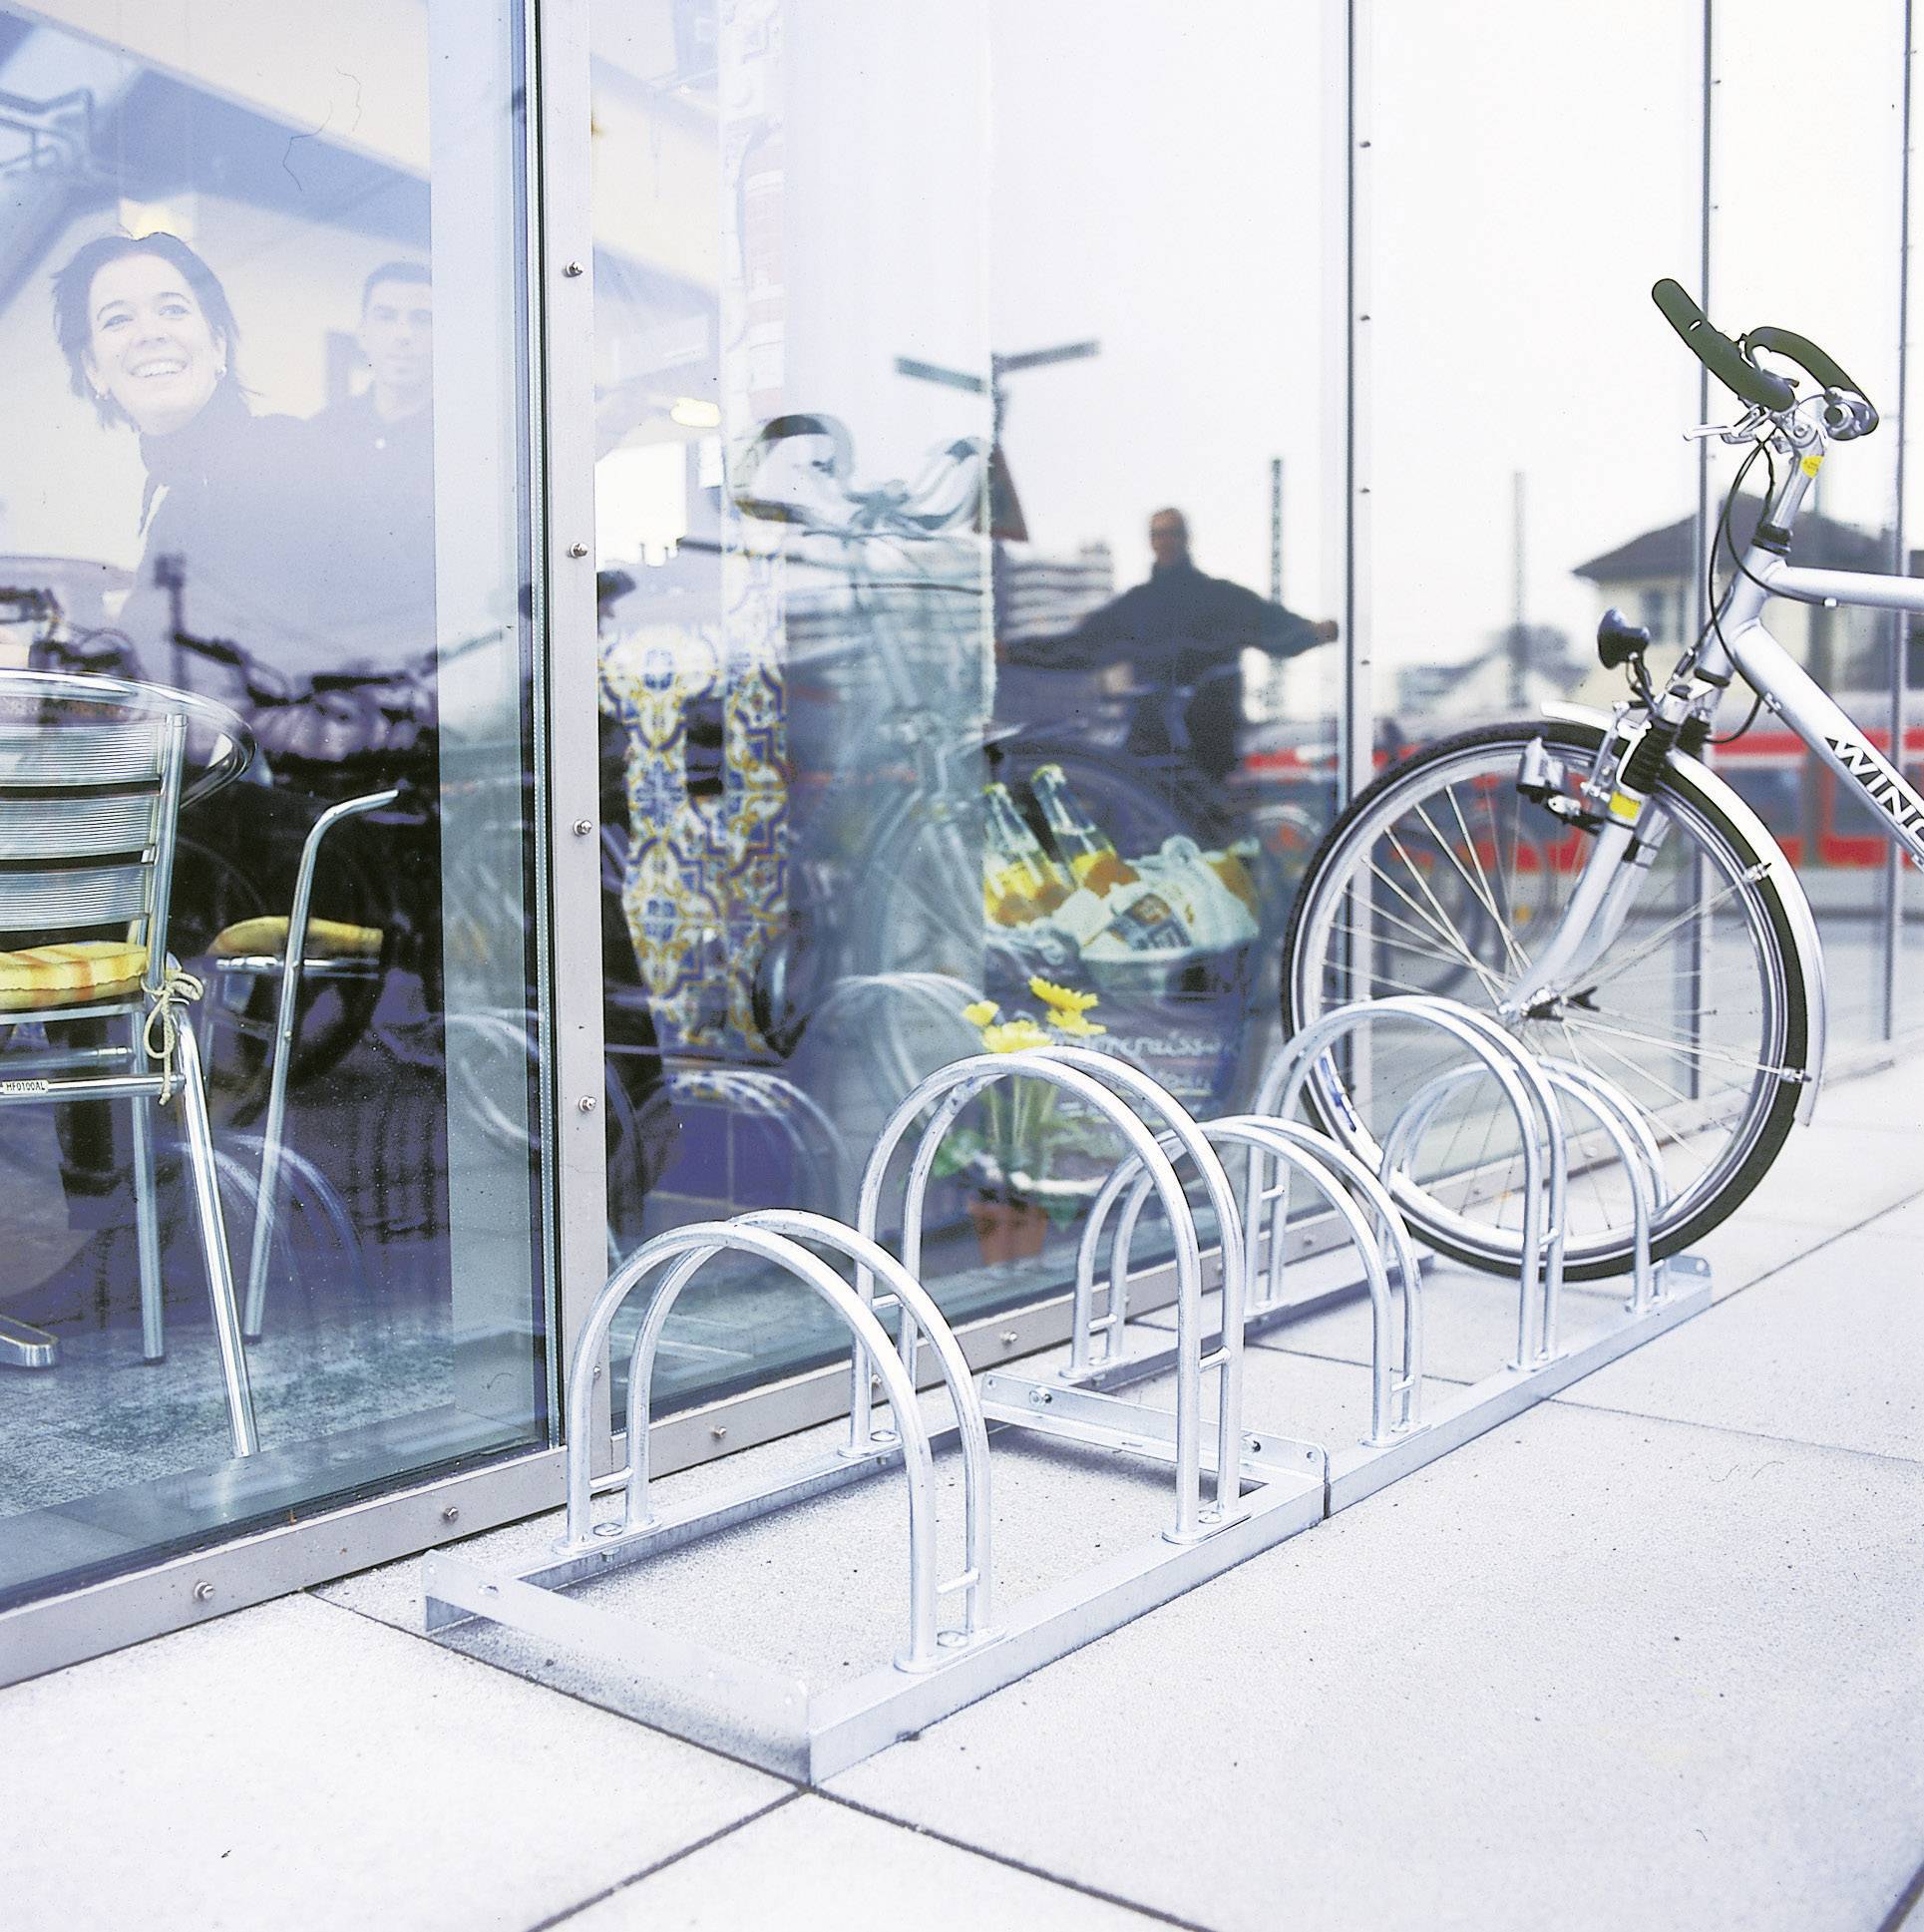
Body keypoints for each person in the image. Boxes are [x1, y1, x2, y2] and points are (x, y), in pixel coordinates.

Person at [1011, 506, 1338, 787]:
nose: (1165, 541)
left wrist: (1314, 632)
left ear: (1185, 538)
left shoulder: (1221, 598)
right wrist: (1013, 652)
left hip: (1212, 750)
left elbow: (1277, 627)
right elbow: (1080, 647)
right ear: (1151, 542)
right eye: (1158, 534)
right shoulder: (1136, 606)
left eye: (1172, 533)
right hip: (1150, 749)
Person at [302, 261, 436, 676]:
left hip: (429, 664)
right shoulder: (320, 435)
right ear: (363, 334)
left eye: (422, 319)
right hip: (329, 660)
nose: (403, 335)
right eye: (386, 316)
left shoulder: (467, 440)